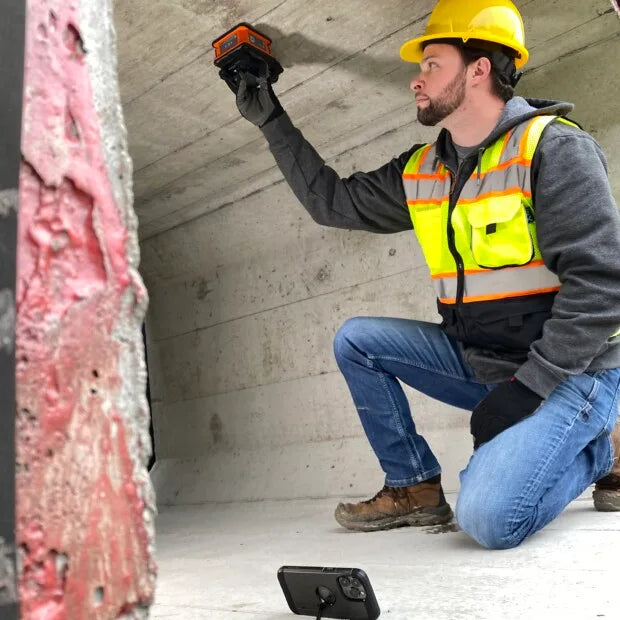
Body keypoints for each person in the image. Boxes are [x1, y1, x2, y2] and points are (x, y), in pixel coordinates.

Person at [224, 0, 620, 549]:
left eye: (432, 64)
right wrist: (270, 117)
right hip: (483, 362)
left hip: (571, 373)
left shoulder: (552, 147)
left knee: (488, 521)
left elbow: (602, 287)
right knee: (357, 341)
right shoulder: (423, 170)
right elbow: (331, 202)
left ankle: (604, 448)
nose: (417, 79)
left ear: (479, 69)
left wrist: (530, 388)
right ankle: (414, 487)